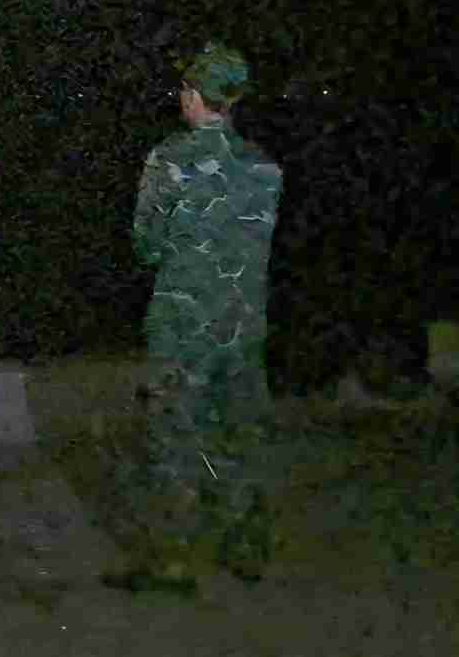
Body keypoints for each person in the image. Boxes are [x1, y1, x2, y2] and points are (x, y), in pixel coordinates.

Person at [111, 40, 284, 592]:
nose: (180, 98)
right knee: (238, 434)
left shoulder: (170, 160)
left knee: (173, 437)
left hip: (184, 325)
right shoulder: (264, 167)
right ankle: (246, 548)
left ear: (196, 95)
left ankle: (174, 561)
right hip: (243, 322)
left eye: (184, 89)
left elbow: (147, 243)